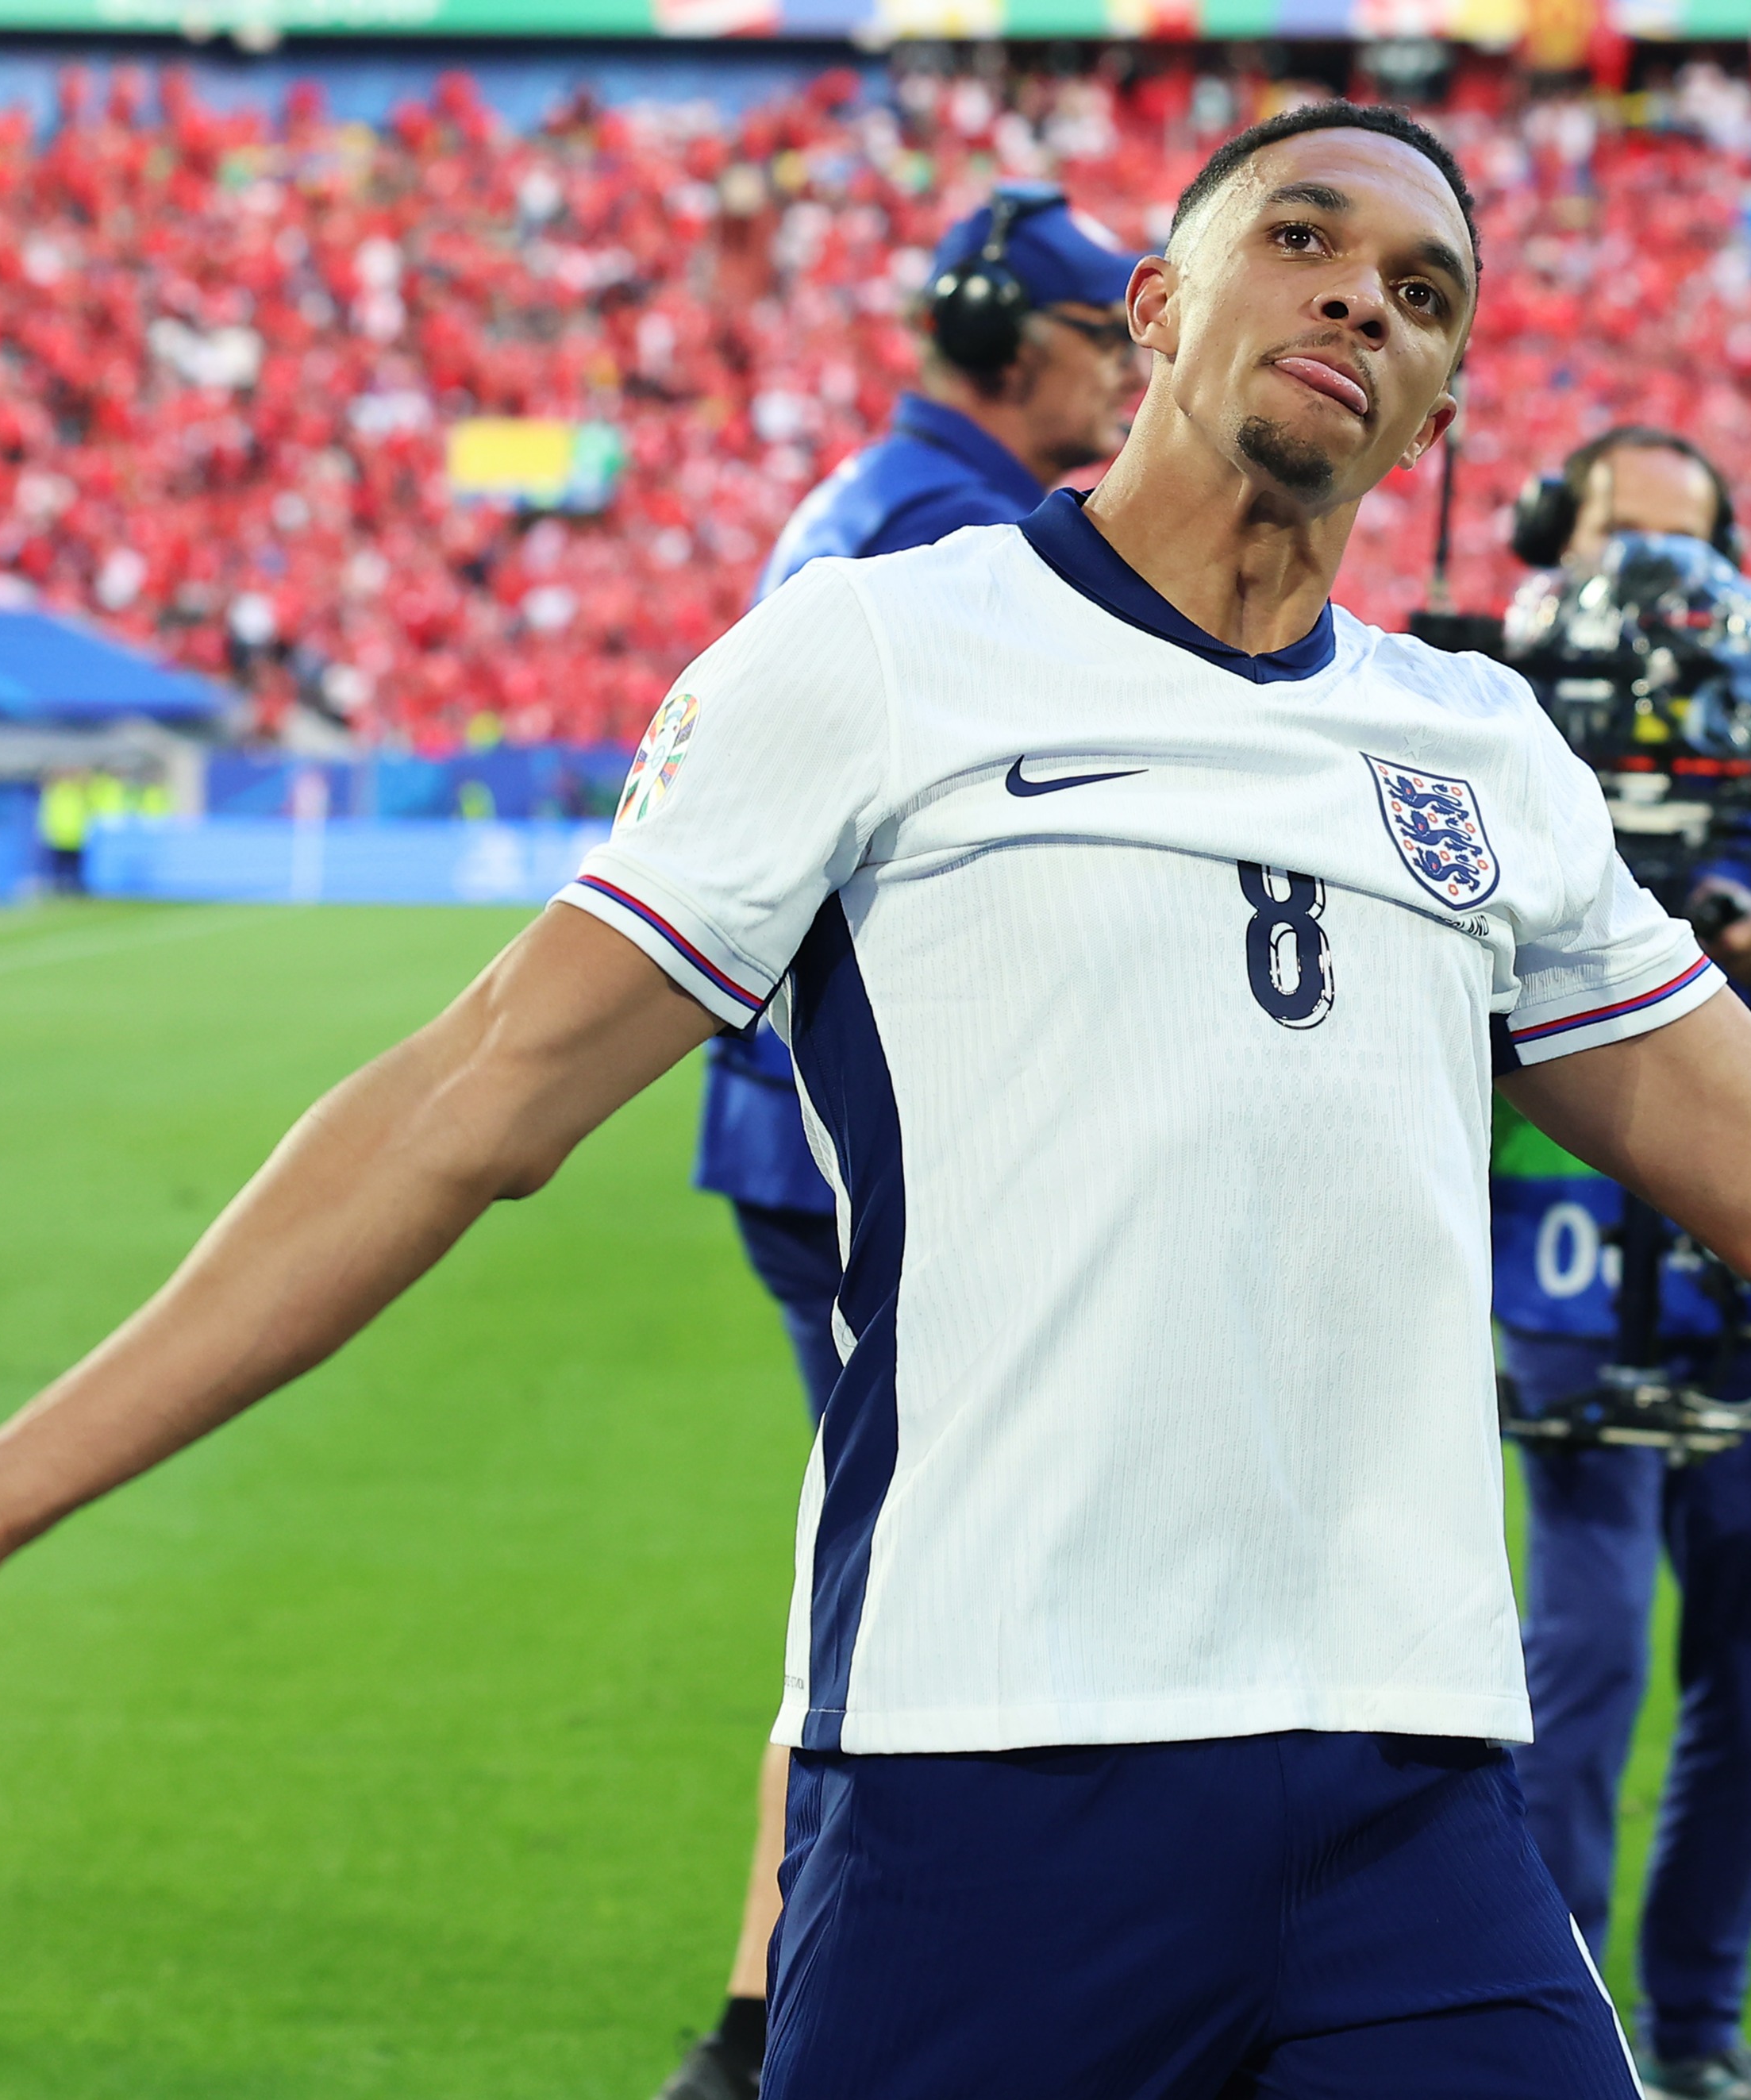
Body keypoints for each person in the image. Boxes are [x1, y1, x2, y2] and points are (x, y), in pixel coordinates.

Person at [0, 104, 1751, 2100]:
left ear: (1435, 420)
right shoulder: (881, 655)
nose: (1361, 306)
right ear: (1156, 309)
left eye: (1423, 297)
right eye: (1302, 241)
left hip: (1417, 1797)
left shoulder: (1478, 751)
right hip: (989, 1777)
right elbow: (464, 1101)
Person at [660, 183, 1146, 2100]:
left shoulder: (879, 490)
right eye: (1105, 340)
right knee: (941, 1581)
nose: (1125, 374)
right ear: (1019, 351)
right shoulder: (960, 530)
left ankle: (767, 2010)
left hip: (792, 1127)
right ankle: (813, 2014)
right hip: (877, 1142)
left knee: (886, 1554)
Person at [1493, 429, 1751, 2100]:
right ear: (1550, 548)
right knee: (1580, 1657)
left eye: (1687, 547)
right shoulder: (1498, 729)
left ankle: (1699, 2036)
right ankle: (1552, 2033)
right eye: (1621, 541)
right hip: (1558, 1237)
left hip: (1748, 1251)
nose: (1657, 582)